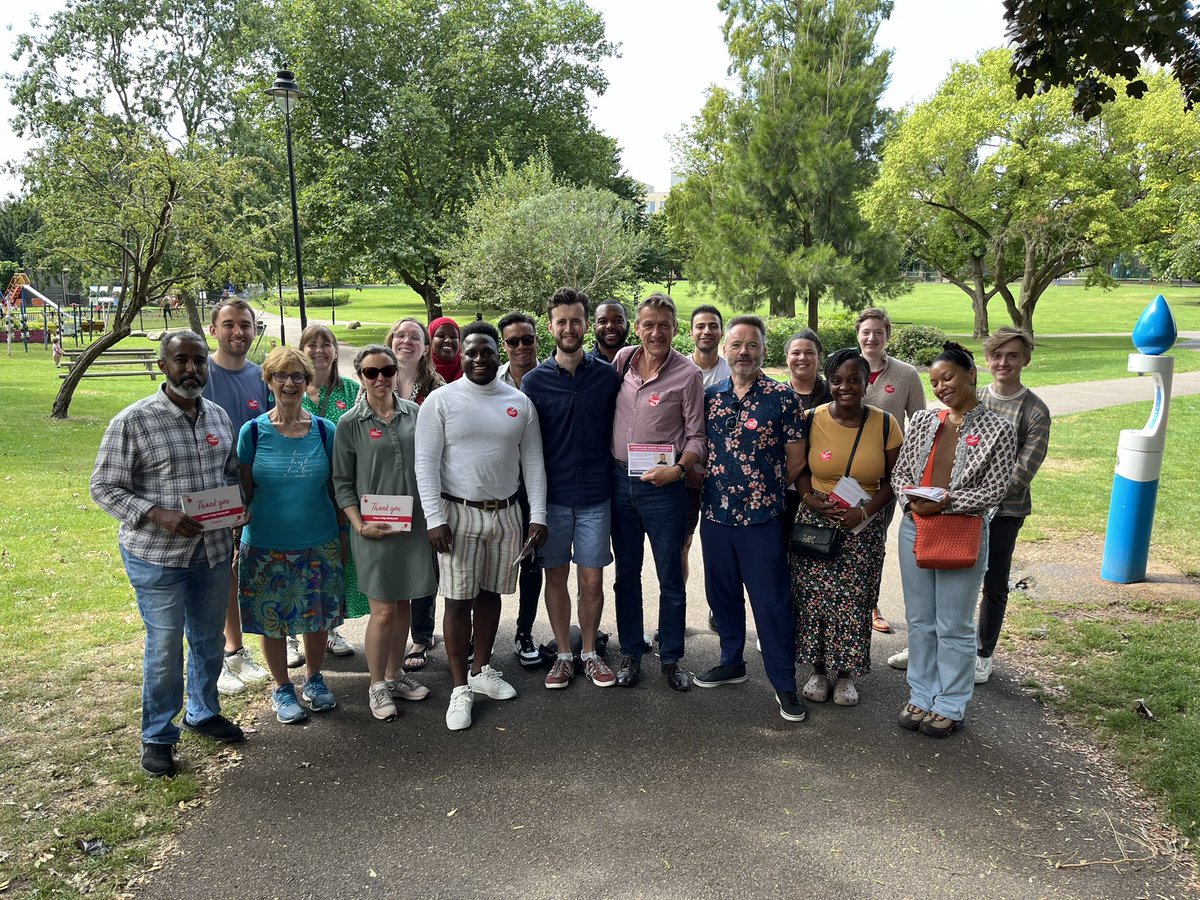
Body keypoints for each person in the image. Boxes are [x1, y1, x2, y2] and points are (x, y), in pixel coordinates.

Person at [91, 330, 245, 777]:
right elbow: (103, 486)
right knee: (164, 646)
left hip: (212, 551)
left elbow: (230, 472)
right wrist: (156, 513)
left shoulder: (217, 417)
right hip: (157, 556)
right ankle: (158, 736)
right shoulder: (132, 421)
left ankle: (202, 711)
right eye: (182, 360)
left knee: (208, 638)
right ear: (164, 365)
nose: (193, 369)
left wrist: (236, 508)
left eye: (199, 361)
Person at [415, 321, 548, 731]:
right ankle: (459, 687)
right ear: (462, 354)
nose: (478, 359)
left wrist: (537, 515)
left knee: (492, 593)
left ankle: (483, 669)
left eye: (487, 351)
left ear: (499, 353)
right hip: (458, 514)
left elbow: (533, 463)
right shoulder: (440, 401)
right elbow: (426, 463)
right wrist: (434, 518)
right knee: (456, 599)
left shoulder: (519, 402)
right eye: (470, 352)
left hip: (506, 512)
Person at [892, 342, 1017, 738]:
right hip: (917, 527)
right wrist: (912, 503)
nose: (941, 387)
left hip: (961, 531)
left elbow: (994, 490)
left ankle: (951, 703)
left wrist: (943, 502)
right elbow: (900, 475)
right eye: (934, 382)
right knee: (920, 621)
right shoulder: (927, 422)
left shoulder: (999, 429)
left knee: (954, 624)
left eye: (947, 378)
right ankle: (921, 693)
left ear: (971, 375)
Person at [691, 317, 809, 721]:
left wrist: (761, 490)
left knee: (771, 603)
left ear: (763, 351)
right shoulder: (710, 396)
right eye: (737, 344)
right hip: (716, 516)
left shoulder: (783, 398)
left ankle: (784, 684)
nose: (744, 352)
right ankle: (731, 661)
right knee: (721, 595)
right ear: (725, 349)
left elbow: (795, 461)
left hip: (761, 519)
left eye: (752, 345)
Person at [236, 347, 343, 724]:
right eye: (281, 376)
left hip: (319, 540)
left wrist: (345, 537)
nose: (290, 383)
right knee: (272, 619)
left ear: (307, 382)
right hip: (265, 543)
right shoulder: (252, 432)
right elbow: (243, 493)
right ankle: (282, 687)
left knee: (317, 618)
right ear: (268, 382)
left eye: (298, 376)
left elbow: (335, 489)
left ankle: (314, 680)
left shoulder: (324, 430)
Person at [790, 349, 902, 708]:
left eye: (854, 379)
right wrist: (807, 497)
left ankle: (846, 674)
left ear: (867, 381)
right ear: (829, 382)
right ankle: (819, 669)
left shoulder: (885, 424)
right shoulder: (810, 419)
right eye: (837, 380)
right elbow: (800, 467)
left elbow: (895, 479)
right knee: (813, 600)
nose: (845, 387)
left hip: (861, 526)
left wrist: (866, 510)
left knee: (854, 602)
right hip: (816, 523)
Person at [522, 288, 621, 689]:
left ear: (585, 325)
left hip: (597, 494)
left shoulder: (607, 376)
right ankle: (564, 654)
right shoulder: (534, 381)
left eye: (576, 320)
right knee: (556, 577)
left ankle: (590, 652)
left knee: (592, 580)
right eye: (561, 321)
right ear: (550, 326)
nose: (569, 328)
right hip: (553, 498)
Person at [333, 345, 437, 721]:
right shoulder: (350, 423)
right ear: (360, 376)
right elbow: (342, 482)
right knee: (382, 611)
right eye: (371, 372)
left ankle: (394, 675)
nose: (381, 379)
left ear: (396, 372)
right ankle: (376, 684)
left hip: (413, 526)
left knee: (405, 602)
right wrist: (358, 525)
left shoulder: (417, 414)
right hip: (373, 529)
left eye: (387, 370)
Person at [610, 293, 705, 692]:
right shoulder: (622, 363)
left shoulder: (687, 375)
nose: (655, 332)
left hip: (665, 488)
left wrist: (679, 469)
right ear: (637, 327)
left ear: (675, 329)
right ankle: (631, 652)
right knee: (626, 574)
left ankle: (671, 658)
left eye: (663, 326)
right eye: (648, 324)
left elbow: (697, 436)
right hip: (619, 482)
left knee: (670, 577)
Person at [974, 327, 1051, 684]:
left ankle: (982, 653)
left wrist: (976, 494)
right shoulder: (973, 399)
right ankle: (937, 644)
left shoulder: (1035, 411)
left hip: (1005, 512)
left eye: (1013, 356)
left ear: (1026, 360)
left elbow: (1021, 472)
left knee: (994, 581)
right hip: (963, 508)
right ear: (987, 359)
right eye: (997, 355)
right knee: (947, 577)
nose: (1004, 362)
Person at [203, 298, 271, 695]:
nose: (238, 332)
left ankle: (242, 650)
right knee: (216, 573)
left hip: (254, 490)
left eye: (245, 325)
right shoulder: (200, 371)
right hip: (212, 493)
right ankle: (225, 653)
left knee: (249, 568)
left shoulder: (262, 377)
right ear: (215, 330)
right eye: (229, 324)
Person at [856, 307, 925, 636]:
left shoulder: (906, 374)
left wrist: (910, 470)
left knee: (874, 541)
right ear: (858, 334)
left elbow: (920, 424)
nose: (871, 338)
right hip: (841, 474)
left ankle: (871, 603)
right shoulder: (845, 367)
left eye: (878, 332)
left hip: (885, 477)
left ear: (887, 336)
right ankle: (843, 599)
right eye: (866, 332)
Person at [298, 324, 360, 664]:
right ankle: (294, 634)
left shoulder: (351, 391)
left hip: (339, 494)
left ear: (336, 352)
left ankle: (330, 627)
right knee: (297, 564)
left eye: (326, 344)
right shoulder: (291, 389)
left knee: (332, 565)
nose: (319, 350)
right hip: (300, 493)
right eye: (311, 344)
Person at [387, 317, 446, 671]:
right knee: (394, 561)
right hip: (387, 492)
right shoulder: (375, 382)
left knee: (425, 564)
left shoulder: (437, 389)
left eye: (415, 336)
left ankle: (421, 637)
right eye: (400, 335)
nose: (406, 341)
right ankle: (391, 635)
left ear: (425, 347)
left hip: (427, 489)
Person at [497, 311, 546, 668]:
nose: (520, 347)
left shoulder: (549, 378)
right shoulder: (491, 380)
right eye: (512, 341)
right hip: (500, 487)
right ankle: (476, 636)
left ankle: (524, 631)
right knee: (490, 563)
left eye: (526, 339)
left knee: (532, 562)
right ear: (505, 345)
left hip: (538, 486)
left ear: (536, 340)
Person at [782, 329, 835, 533]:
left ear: (819, 357)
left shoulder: (835, 394)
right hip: (786, 487)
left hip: (824, 487)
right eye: (795, 353)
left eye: (809, 353)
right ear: (787, 357)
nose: (802, 358)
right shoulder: (776, 395)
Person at [429, 316, 462, 384]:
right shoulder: (419, 369)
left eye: (453, 337)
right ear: (430, 340)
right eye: (441, 336)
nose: (448, 340)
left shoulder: (469, 368)